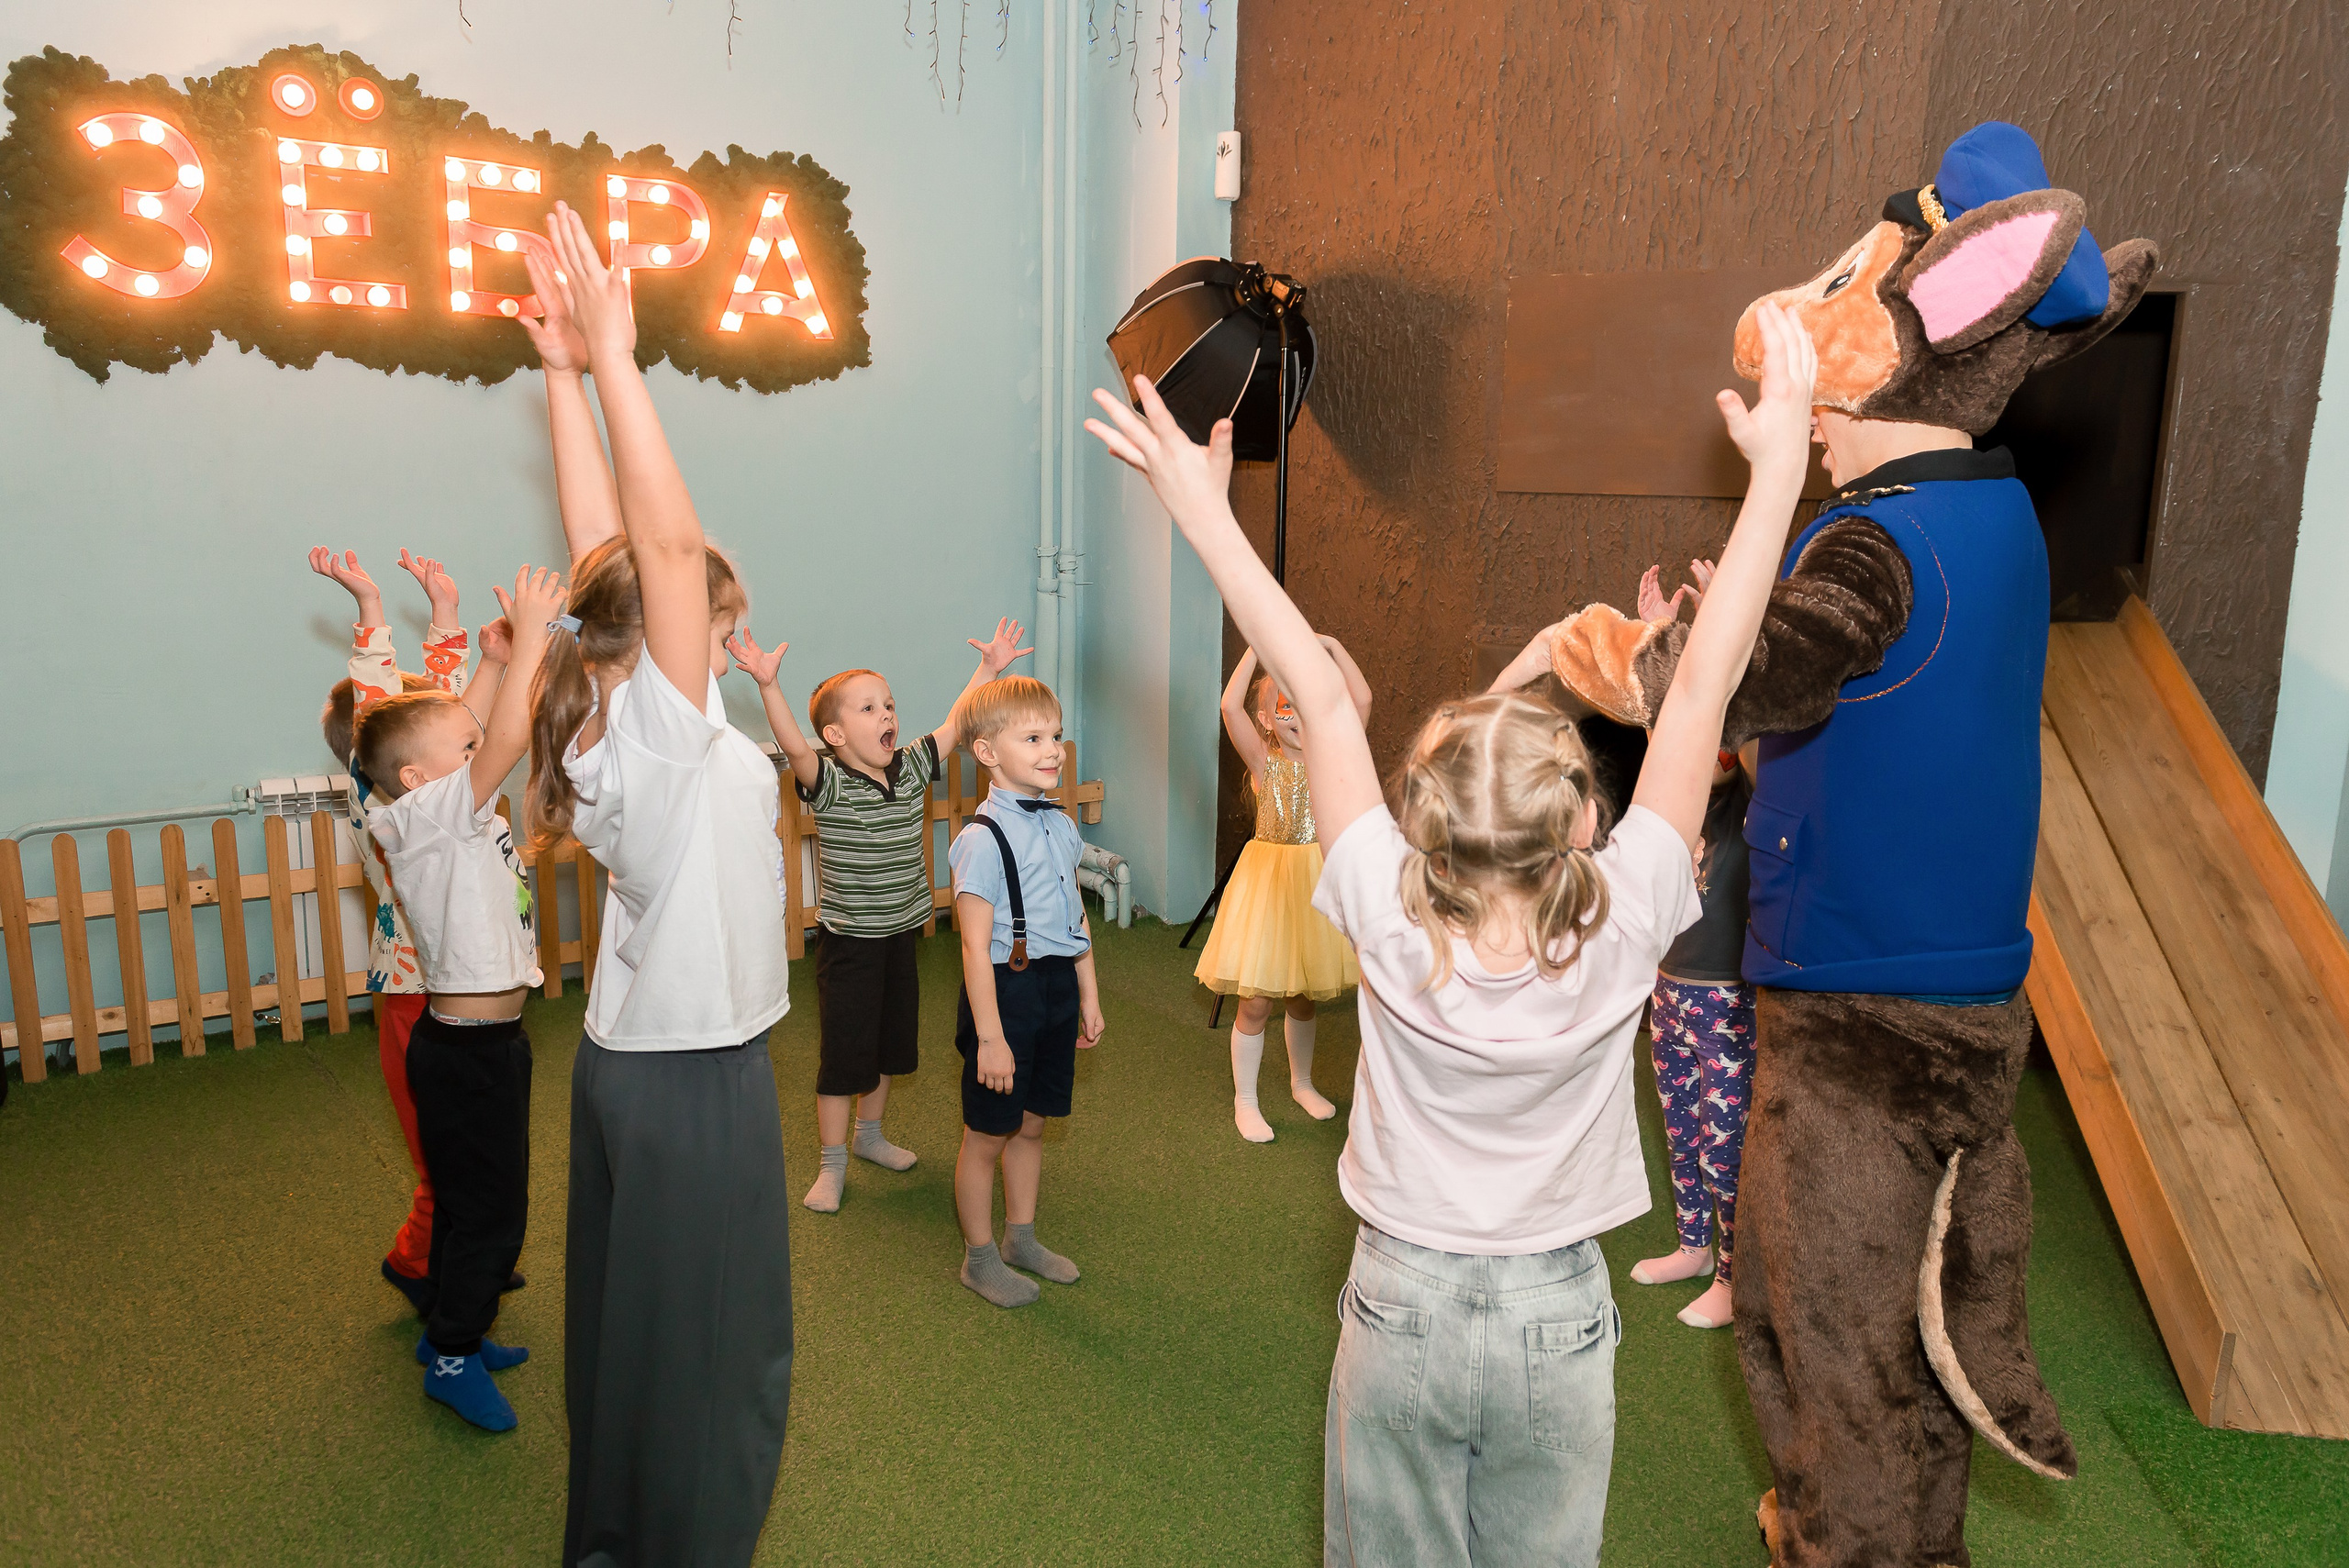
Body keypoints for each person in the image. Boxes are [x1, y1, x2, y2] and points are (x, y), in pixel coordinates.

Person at [1085, 299, 1817, 1565]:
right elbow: (1702, 683)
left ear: (1425, 826)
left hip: (1403, 1301)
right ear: (1588, 818)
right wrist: (1785, 470)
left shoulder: (1379, 894)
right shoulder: (1636, 902)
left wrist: (1201, 510)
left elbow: (1309, 684)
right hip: (1556, 1311)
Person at [1543, 123, 2156, 1562]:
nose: (1802, 407)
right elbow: (1856, 703)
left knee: (1828, 1325)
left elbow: (1725, 689)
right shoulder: (1996, 513)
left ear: (1909, 349)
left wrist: (1623, 648)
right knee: (1912, 1310)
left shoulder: (1868, 541)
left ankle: (1856, 1542)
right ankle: (1866, 1516)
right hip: (1954, 989)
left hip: (1859, 1009)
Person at [523, 208, 796, 1568]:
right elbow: (662, 557)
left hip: (626, 1067)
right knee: (718, 1367)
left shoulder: (602, 708)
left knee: (631, 1345)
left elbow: (608, 558)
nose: (720, 632)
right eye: (714, 624)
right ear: (682, 639)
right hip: (697, 1081)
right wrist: (621, 361)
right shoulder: (664, 728)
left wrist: (564, 375)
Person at [729, 617, 1038, 1213]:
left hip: (901, 937)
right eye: (869, 707)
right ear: (837, 734)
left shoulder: (914, 766)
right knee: (845, 1057)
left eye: (889, 704)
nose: (887, 714)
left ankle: (870, 1137)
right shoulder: (830, 782)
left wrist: (990, 668)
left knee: (892, 1047)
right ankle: (832, 1161)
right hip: (849, 947)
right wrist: (769, 685)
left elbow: (958, 722)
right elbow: (794, 745)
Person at [357, 563, 563, 1431]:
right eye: (464, 751)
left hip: (492, 1046)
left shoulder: (460, 816)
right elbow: (505, 735)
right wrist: (531, 641)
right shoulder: (417, 816)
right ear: (417, 778)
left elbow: (484, 730)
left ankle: (456, 1331)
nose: (481, 754)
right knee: (493, 1211)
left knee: (470, 1196)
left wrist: (494, 659)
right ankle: (451, 1352)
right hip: (463, 1052)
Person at [308, 544, 506, 1314]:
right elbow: (384, 711)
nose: (467, 747)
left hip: (459, 987)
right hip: (415, 997)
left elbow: (450, 715)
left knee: (468, 1148)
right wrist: (371, 613)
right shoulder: (390, 804)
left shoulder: (436, 785)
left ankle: (466, 1250)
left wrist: (450, 619)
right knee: (441, 1153)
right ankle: (418, 1262)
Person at [945, 675, 1106, 1307]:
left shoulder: (1061, 825)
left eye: (1056, 734)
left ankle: (1021, 1237)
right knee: (988, 1134)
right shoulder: (981, 840)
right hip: (1004, 995)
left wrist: (1088, 994)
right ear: (986, 752)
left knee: (1033, 1124)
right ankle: (979, 1258)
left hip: (1056, 984)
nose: (1054, 748)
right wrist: (990, 1037)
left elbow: (1076, 915)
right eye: (1034, 736)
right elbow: (970, 948)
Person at [1194, 643, 1367, 1140]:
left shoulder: (1330, 754)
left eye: (1302, 704)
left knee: (1304, 995)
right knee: (1255, 1002)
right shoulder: (1263, 761)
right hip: (1268, 886)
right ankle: (1244, 1101)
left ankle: (1302, 1083)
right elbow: (1229, 707)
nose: (1296, 715)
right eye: (1284, 706)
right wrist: (1258, 647)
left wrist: (1332, 651)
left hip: (1314, 882)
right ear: (1268, 721)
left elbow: (1363, 702)